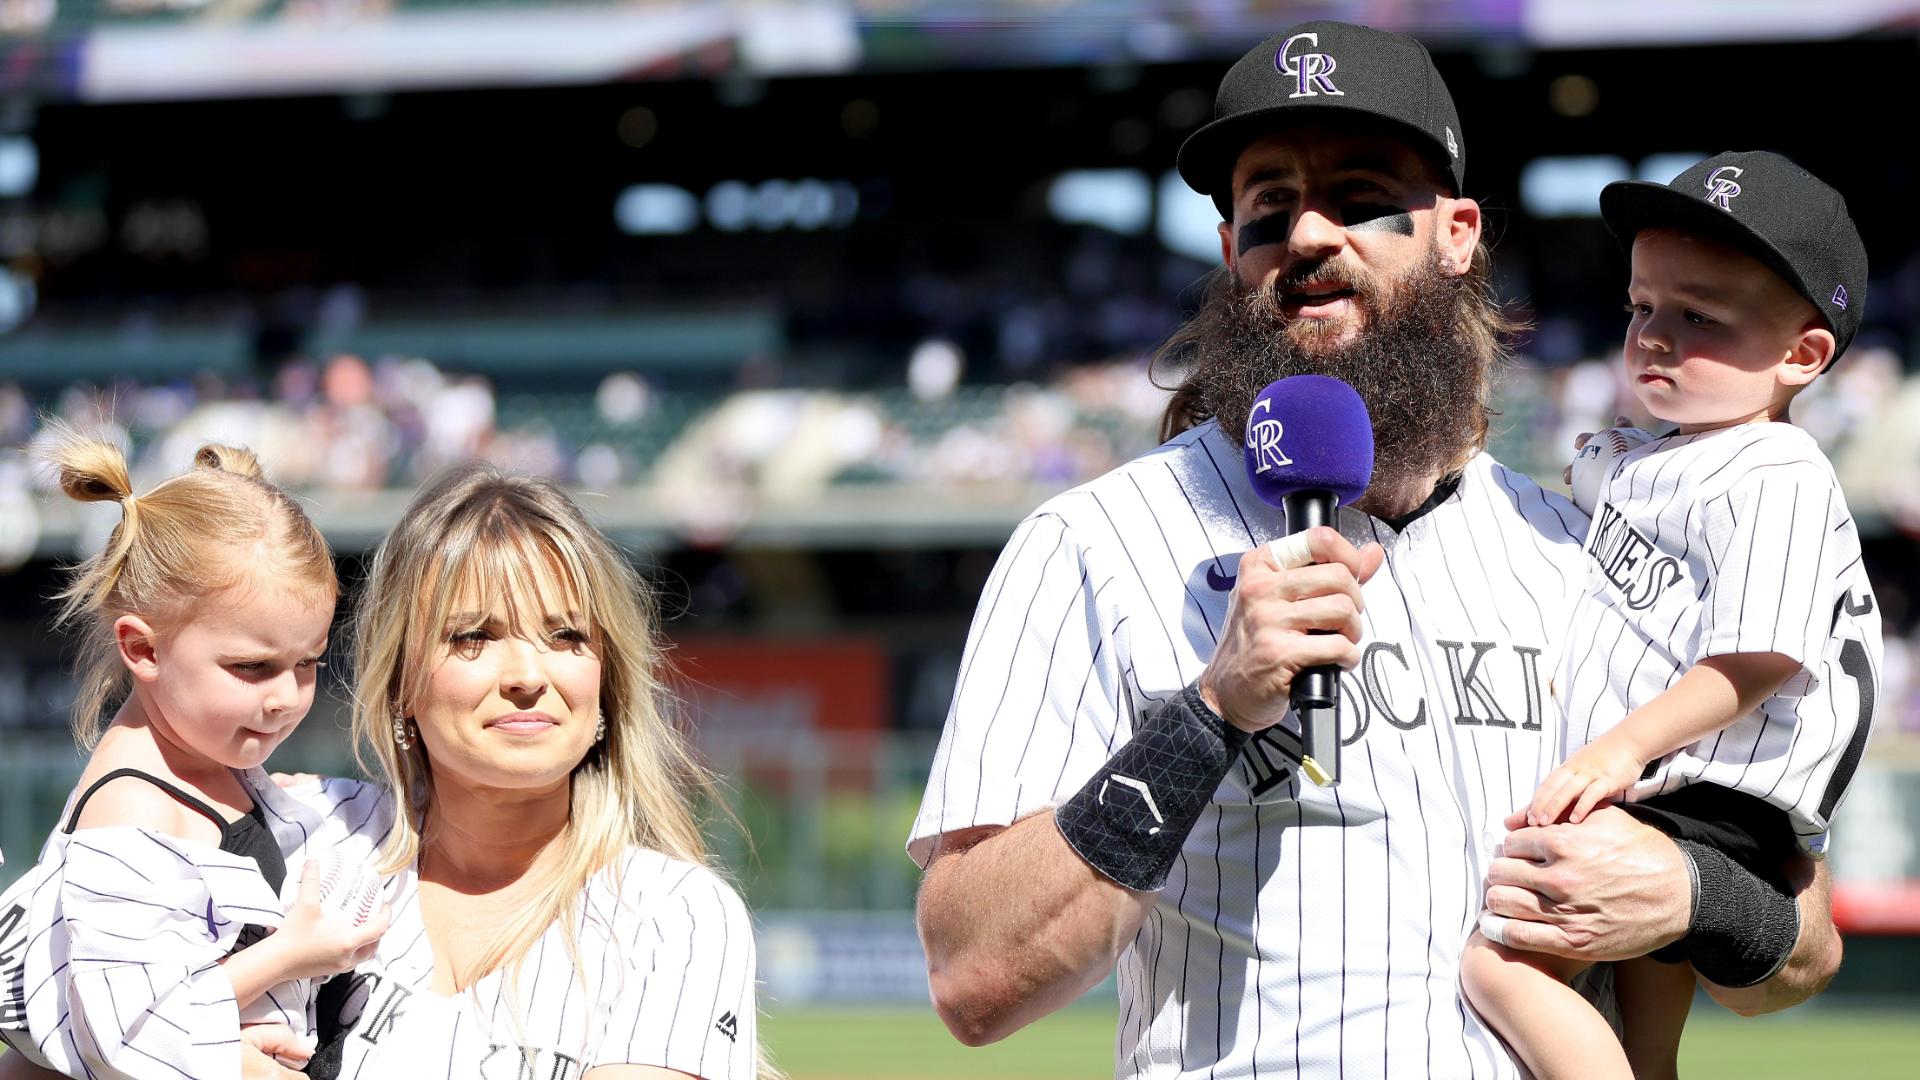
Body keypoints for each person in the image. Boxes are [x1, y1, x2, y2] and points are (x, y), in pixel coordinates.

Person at [908, 21, 1844, 1078]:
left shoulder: (1590, 552)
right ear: (1229, 255)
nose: (1309, 234)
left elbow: (1803, 953)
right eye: (1267, 207)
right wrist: (1209, 714)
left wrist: (1689, 895)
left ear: (1457, 234)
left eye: (1360, 198)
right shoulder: (1094, 542)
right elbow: (974, 978)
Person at [1461, 151, 1880, 1080]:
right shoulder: (1665, 457)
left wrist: (1619, 752)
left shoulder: (1776, 472)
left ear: (1801, 356)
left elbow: (1756, 658)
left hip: (1706, 789)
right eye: (1641, 307)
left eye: (1700, 318)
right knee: (1647, 1009)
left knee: (1503, 965)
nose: (1653, 335)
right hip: (1693, 791)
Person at [301, 462, 762, 1079]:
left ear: (606, 683)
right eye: (474, 636)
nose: (527, 676)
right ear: (399, 681)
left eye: (566, 635)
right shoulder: (313, 843)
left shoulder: (673, 914)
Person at [0, 434, 390, 1079]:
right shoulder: (132, 812)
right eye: (251, 667)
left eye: (307, 663)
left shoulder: (213, 760)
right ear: (143, 650)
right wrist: (288, 955)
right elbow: (125, 1029)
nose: (284, 698)